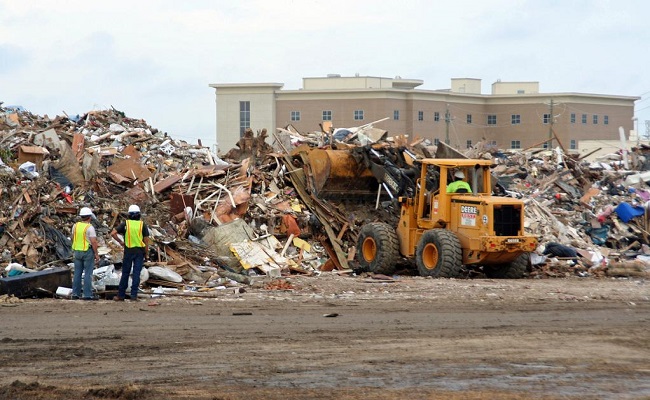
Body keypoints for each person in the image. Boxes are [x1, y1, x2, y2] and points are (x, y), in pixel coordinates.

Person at [111, 205, 150, 301]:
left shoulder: (125, 224)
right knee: (136, 274)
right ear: (139, 215)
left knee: (125, 273)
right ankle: (133, 295)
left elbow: (113, 233)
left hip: (128, 251)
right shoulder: (142, 225)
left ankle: (121, 295)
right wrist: (146, 253)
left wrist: (120, 242)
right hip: (139, 251)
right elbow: (146, 240)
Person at [71, 207, 99, 300]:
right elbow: (94, 242)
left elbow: (72, 237)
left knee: (77, 273)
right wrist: (96, 254)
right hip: (87, 251)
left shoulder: (75, 226)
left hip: (77, 251)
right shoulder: (90, 228)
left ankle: (75, 293)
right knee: (88, 274)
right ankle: (87, 294)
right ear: (90, 217)